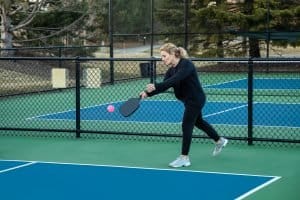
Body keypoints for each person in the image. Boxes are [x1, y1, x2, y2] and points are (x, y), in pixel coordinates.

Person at [140, 43, 228, 168]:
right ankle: (219, 141)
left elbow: (175, 80)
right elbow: (165, 85)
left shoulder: (186, 65)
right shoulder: (171, 70)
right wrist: (147, 94)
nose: (162, 59)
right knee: (199, 122)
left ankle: (184, 158)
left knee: (186, 125)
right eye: (162, 56)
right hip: (188, 100)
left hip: (195, 99)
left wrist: (156, 85)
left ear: (172, 54)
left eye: (164, 56)